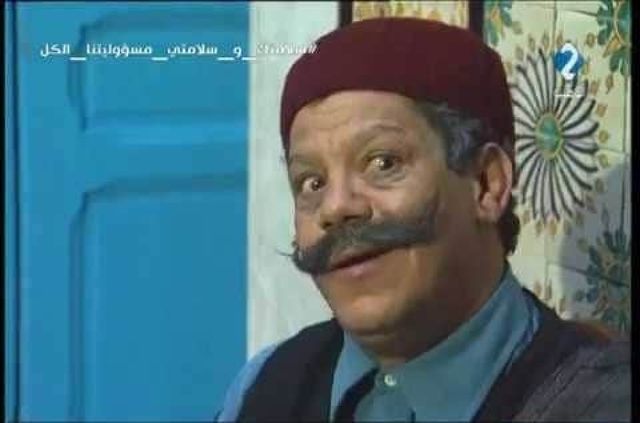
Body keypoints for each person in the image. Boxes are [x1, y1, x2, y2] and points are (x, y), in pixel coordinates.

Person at [215, 17, 630, 422]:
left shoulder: (603, 403)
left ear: (487, 183)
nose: (335, 207)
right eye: (312, 182)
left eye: (383, 162)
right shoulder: (263, 385)